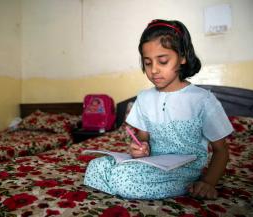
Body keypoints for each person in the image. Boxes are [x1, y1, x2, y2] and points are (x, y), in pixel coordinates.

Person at [84, 19, 233, 200]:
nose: (154, 70)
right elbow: (142, 137)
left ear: (183, 57)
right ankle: (121, 181)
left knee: (124, 178)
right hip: (150, 163)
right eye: (147, 63)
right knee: (96, 166)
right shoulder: (144, 98)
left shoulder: (202, 100)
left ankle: (186, 185)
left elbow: (221, 150)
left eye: (162, 61)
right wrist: (140, 147)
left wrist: (208, 183)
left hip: (185, 169)